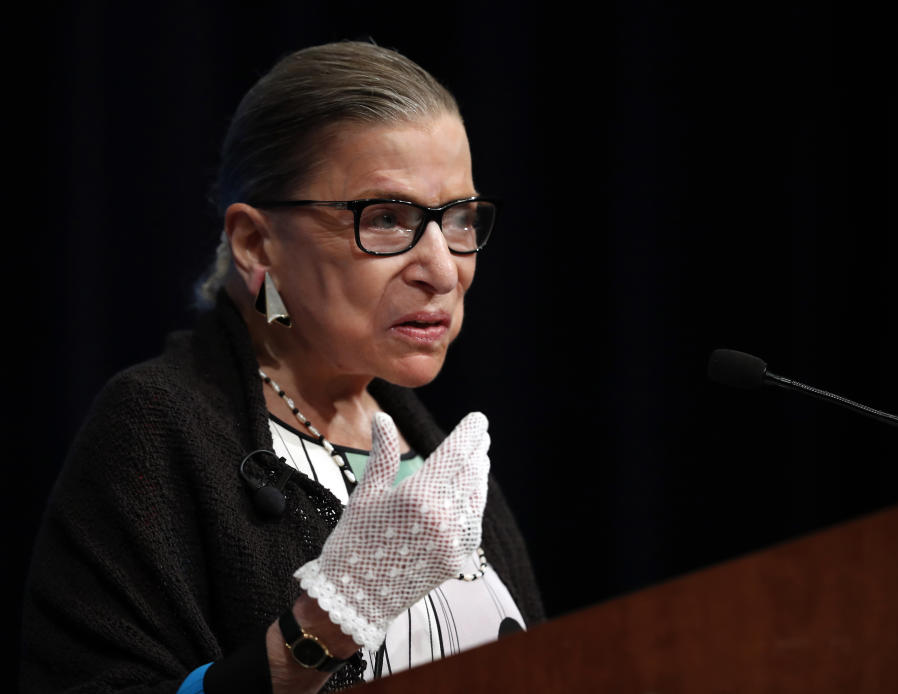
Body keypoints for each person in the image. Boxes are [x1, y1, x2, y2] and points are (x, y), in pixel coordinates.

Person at [21, 42, 543, 693]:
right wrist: (319, 630)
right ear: (255, 243)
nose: (442, 270)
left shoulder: (441, 457)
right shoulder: (159, 429)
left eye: (459, 220)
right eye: (385, 218)